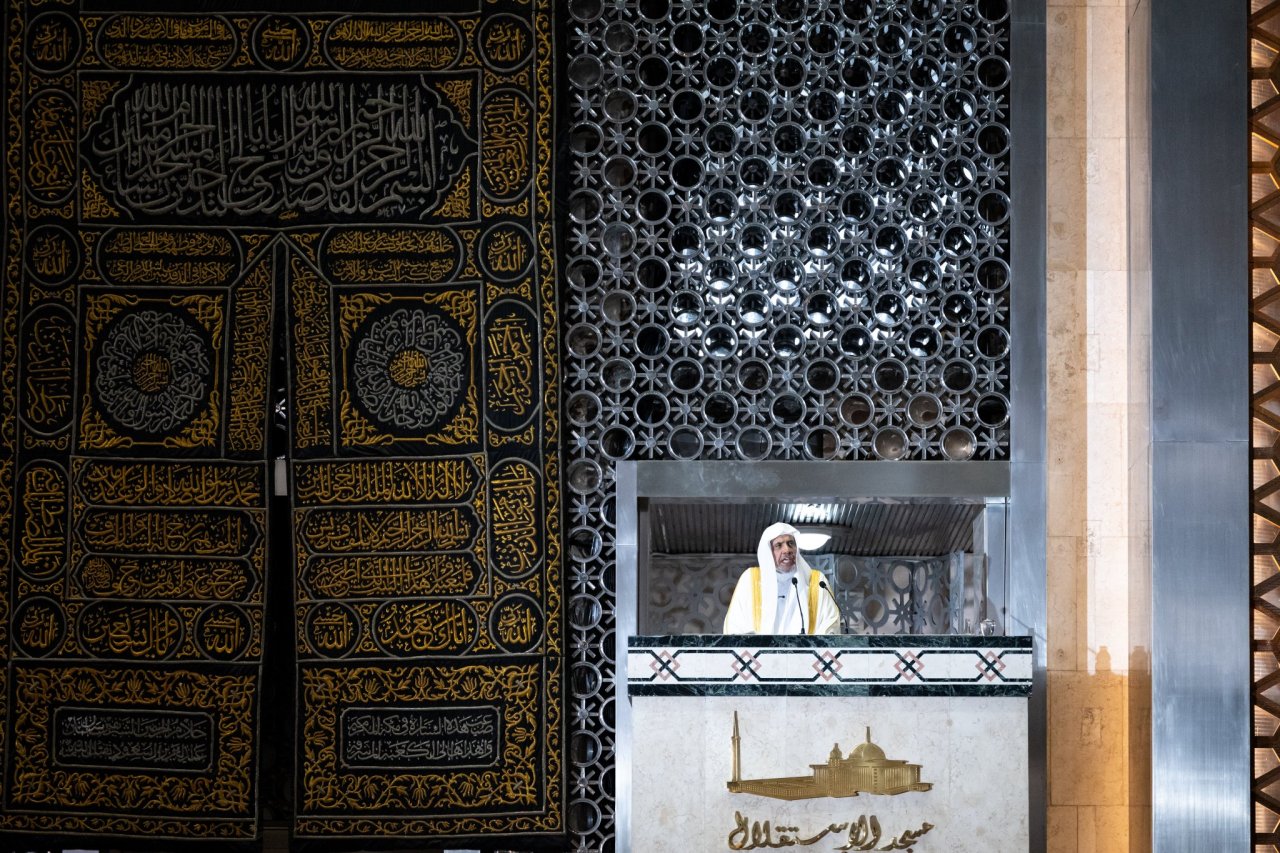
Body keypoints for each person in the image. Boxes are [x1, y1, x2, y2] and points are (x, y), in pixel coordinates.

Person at [723, 522, 840, 635]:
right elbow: (735, 625)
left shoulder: (816, 581)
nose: (787, 550)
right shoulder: (750, 580)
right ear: (769, 552)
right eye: (778, 545)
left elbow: (830, 624)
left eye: (791, 543)